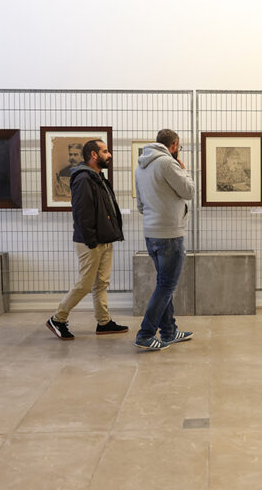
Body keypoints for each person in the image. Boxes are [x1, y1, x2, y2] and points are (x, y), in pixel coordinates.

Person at [46, 139, 128, 340]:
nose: (109, 155)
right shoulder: (83, 179)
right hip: (91, 242)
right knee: (85, 284)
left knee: (101, 283)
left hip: (104, 239)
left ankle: (104, 322)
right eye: (105, 151)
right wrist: (92, 241)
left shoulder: (97, 178)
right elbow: (82, 214)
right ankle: (58, 319)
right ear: (93, 155)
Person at [134, 129, 195, 351]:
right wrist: (183, 170)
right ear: (174, 145)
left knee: (163, 283)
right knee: (166, 286)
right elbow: (189, 191)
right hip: (170, 234)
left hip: (151, 233)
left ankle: (169, 332)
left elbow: (141, 206)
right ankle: (145, 334)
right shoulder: (168, 163)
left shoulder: (141, 166)